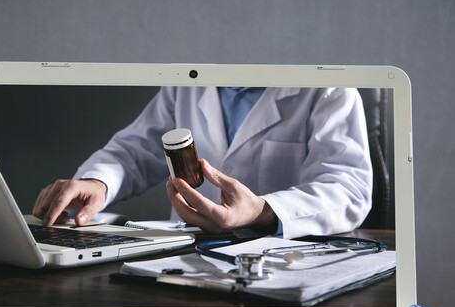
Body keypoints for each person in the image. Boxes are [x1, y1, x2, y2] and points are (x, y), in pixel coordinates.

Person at [32, 86, 373, 239]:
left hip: (283, 266)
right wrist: (97, 182)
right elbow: (134, 151)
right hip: (185, 260)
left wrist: (262, 211)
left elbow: (348, 188)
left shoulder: (328, 90)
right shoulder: (187, 84)